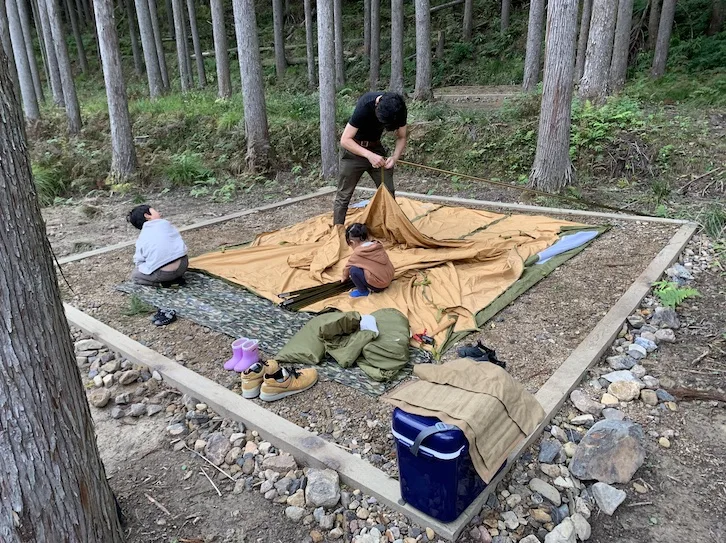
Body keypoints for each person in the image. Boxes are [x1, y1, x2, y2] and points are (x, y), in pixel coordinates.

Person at [334, 91, 408, 225]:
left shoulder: (398, 109)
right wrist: (369, 155)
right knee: (344, 195)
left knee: (388, 192)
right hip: (354, 151)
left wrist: (395, 157)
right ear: (377, 108)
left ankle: (391, 228)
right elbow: (345, 140)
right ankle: (337, 231)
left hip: (376, 149)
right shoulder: (365, 105)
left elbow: (402, 136)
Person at [126, 204, 188, 287]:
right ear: (147, 215)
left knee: (135, 275)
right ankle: (175, 278)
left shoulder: (142, 238)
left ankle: (163, 284)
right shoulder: (166, 224)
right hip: (182, 265)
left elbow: (139, 260)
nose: (159, 212)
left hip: (163, 274)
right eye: (155, 210)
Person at [342, 223, 394, 298]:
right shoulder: (377, 245)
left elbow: (347, 268)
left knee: (353, 270)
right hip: (389, 278)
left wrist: (344, 278)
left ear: (352, 242)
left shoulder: (357, 254)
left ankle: (363, 291)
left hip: (378, 286)